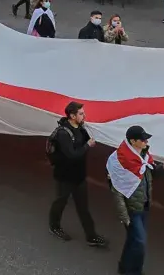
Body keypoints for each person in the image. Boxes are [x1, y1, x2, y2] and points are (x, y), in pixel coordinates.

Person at [107, 126, 164, 275]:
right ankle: (134, 271)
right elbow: (117, 192)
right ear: (133, 141)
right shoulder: (119, 161)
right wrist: (124, 217)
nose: (146, 142)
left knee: (133, 240)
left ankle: (124, 267)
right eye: (143, 140)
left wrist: (163, 168)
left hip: (144, 205)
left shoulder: (144, 156)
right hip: (132, 210)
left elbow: (150, 174)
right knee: (140, 242)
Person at [48, 102, 106, 246]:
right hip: (65, 177)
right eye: (81, 113)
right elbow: (72, 155)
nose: (84, 116)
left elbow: (85, 142)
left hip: (79, 177)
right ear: (72, 116)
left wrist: (90, 141)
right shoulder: (63, 133)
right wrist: (88, 145)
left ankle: (91, 236)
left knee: (83, 207)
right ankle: (54, 226)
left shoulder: (81, 128)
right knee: (60, 202)